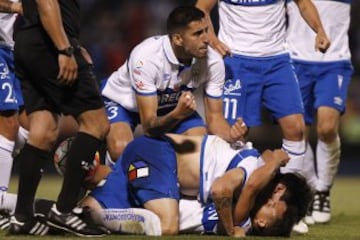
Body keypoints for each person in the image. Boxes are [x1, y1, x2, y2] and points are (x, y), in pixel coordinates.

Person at [8, 0, 110, 237]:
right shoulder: (59, 45)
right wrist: (65, 49)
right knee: (96, 123)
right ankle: (64, 209)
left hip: (31, 42)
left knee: (43, 130)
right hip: (50, 44)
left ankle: (22, 217)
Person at [194, 0, 330, 176]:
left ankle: (286, 196)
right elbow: (202, 8)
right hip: (236, 59)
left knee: (296, 129)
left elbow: (304, 3)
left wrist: (319, 30)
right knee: (233, 134)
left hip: (277, 61)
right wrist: (212, 39)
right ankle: (235, 190)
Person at [81, 134, 312, 236]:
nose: (270, 199)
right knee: (166, 227)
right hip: (161, 155)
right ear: (278, 187)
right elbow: (235, 187)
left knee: (82, 215)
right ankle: (92, 187)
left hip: (149, 159)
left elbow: (256, 181)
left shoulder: (243, 207)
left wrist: (274, 160)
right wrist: (232, 231)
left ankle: (55, 212)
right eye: (273, 201)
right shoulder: (250, 169)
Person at [101, 6, 247, 164]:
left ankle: (174, 183)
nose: (207, 39)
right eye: (198, 34)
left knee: (198, 150)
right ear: (178, 39)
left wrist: (230, 135)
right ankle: (101, 169)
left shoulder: (213, 61)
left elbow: (215, 119)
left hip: (171, 106)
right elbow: (149, 128)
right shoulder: (146, 58)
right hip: (125, 104)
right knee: (121, 149)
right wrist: (177, 114)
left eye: (206, 30)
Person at [286, 0, 353, 224]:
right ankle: (312, 189)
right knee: (297, 132)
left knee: (326, 128)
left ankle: (323, 190)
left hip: (334, 60)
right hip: (294, 59)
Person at [0, 0, 26, 229]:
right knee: (9, 122)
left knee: (29, 124)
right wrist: (17, 7)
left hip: (11, 49)